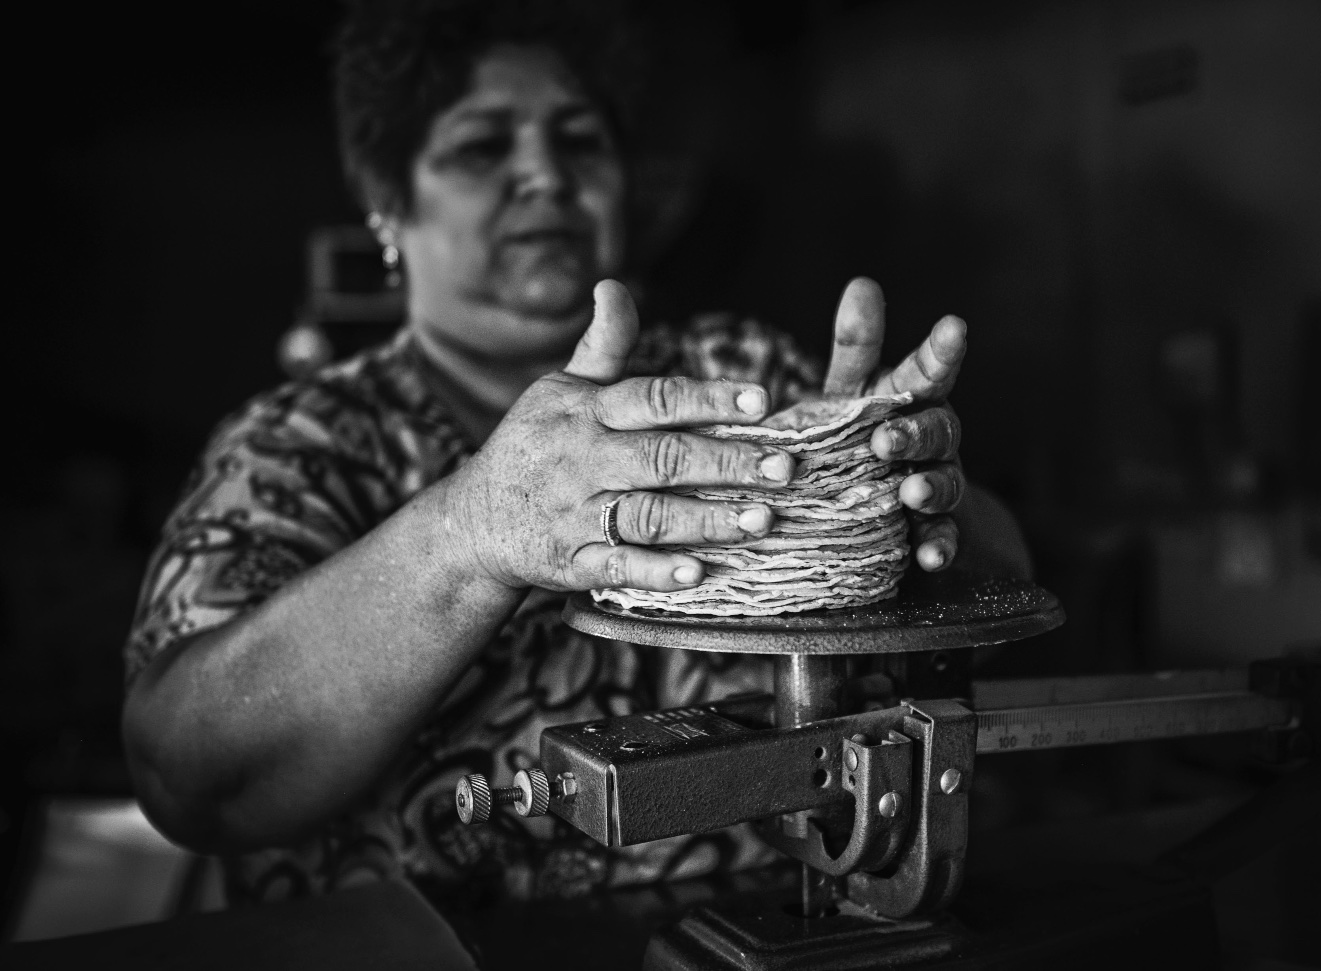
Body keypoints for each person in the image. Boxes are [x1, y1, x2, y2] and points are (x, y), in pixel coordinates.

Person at [122, 0, 1031, 908]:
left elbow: (997, 584)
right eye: (483, 146)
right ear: (388, 201)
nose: (545, 175)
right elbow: (187, 778)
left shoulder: (744, 374)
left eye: (579, 141)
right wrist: (474, 527)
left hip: (774, 925)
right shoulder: (302, 443)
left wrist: (890, 506)